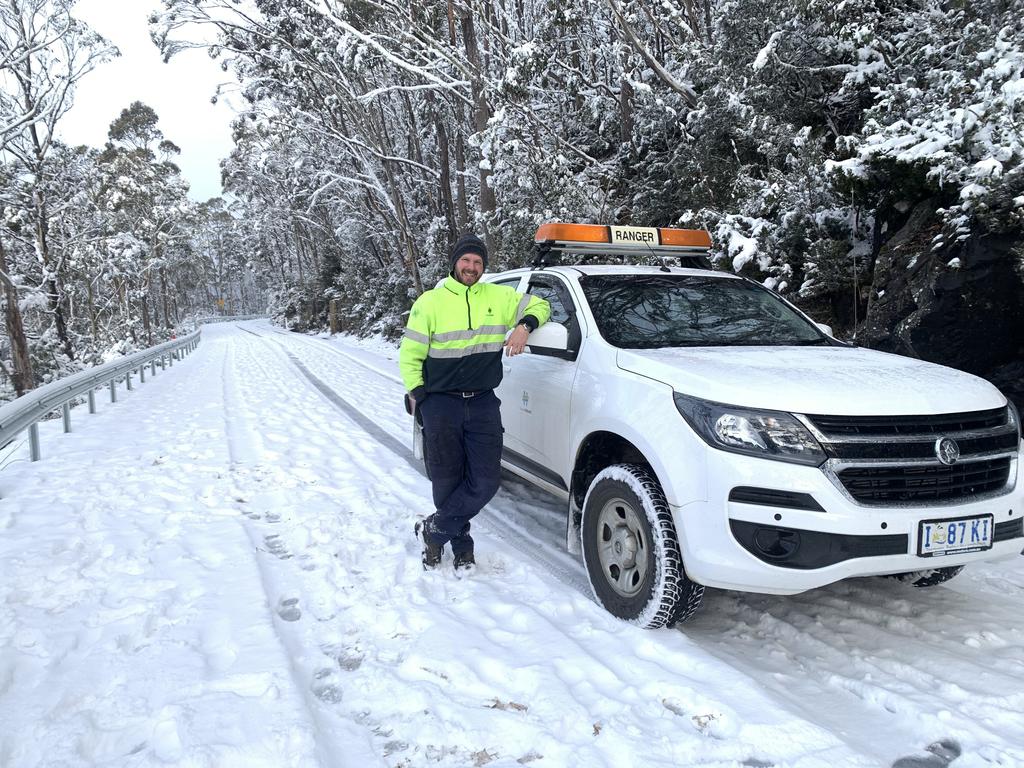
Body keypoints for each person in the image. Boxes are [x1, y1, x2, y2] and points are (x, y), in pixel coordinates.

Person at [399, 233, 550, 573]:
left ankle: (435, 530)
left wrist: (525, 326)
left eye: (478, 262)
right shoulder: (430, 302)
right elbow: (410, 354)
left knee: (485, 481)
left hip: (482, 402)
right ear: (455, 262)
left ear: (484, 266)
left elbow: (541, 305)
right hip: (440, 404)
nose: (471, 267)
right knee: (446, 476)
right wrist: (420, 395)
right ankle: (462, 545)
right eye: (466, 260)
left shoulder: (500, 296)